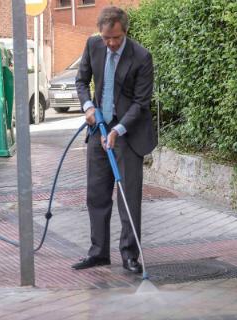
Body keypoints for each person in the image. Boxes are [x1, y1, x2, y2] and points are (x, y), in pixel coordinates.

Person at [73, 6, 156, 273]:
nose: (110, 44)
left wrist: (117, 130)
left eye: (116, 38)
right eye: (106, 38)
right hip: (98, 129)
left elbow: (141, 103)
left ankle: (130, 255)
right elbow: (81, 80)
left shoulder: (141, 57)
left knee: (128, 197)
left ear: (125, 31)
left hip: (126, 134)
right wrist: (87, 107)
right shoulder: (93, 45)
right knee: (96, 194)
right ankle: (98, 253)